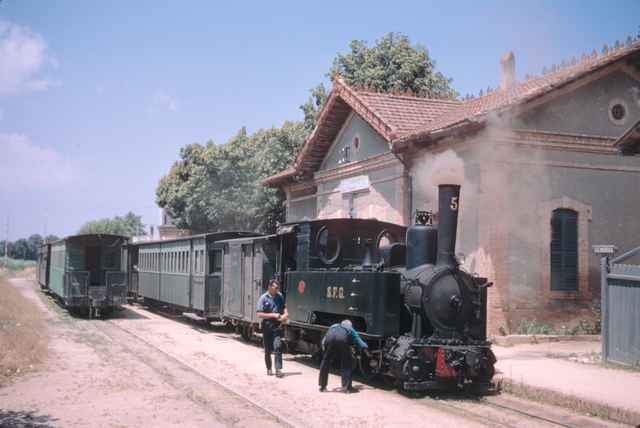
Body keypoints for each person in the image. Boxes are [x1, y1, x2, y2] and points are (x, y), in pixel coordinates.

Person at [318, 319, 369, 393]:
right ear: (349, 325)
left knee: (325, 361)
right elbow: (358, 339)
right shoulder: (349, 328)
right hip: (341, 339)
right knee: (346, 362)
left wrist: (324, 350)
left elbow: (325, 338)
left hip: (329, 339)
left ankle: (323, 387)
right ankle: (346, 387)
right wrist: (365, 348)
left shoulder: (333, 326)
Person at [256, 279, 288, 378]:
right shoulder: (263, 298)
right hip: (267, 325)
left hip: (277, 326)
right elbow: (259, 314)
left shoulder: (280, 297)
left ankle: (278, 370)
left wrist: (285, 315)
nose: (277, 289)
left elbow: (284, 308)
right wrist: (273, 315)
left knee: (278, 346)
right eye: (275, 287)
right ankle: (269, 368)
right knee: (267, 350)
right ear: (270, 287)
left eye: (278, 287)